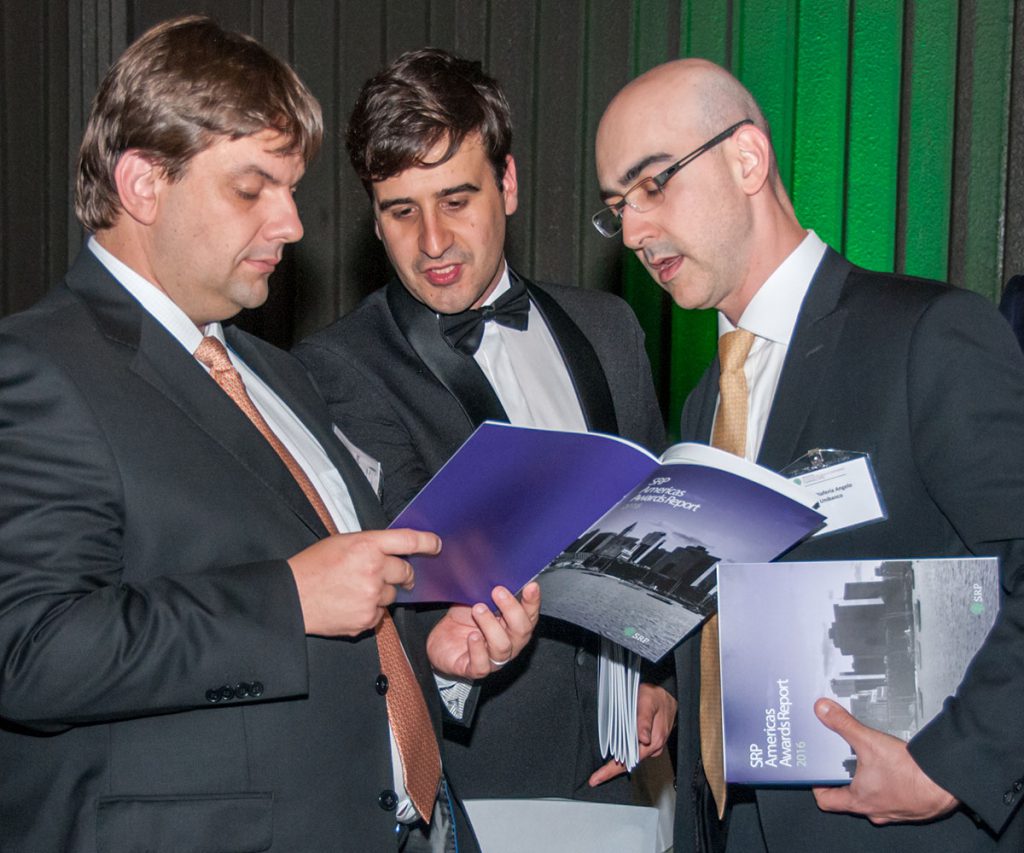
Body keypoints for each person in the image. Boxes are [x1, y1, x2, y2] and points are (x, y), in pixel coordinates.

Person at [0, 17, 540, 853]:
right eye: (253, 188)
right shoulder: (36, 368)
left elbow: (341, 628)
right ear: (143, 184)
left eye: (291, 189)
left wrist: (432, 657)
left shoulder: (276, 374)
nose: (291, 224)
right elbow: (30, 652)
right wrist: (286, 600)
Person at [594, 57, 1024, 852]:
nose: (633, 231)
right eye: (616, 206)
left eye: (653, 184)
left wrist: (953, 764)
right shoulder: (703, 403)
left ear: (747, 159)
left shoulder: (926, 337)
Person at [294, 47, 676, 810]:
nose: (432, 241)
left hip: (626, 771)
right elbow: (410, 594)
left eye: (456, 200)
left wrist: (657, 676)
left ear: (507, 185)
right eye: (402, 211)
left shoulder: (610, 326)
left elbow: (659, 531)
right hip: (476, 779)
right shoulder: (338, 367)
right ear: (375, 218)